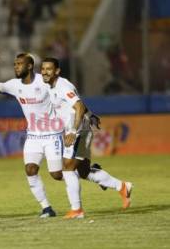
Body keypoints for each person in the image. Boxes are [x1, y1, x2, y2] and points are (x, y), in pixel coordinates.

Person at [41, 57, 133, 219]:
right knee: (83, 171)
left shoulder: (62, 86)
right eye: (43, 69)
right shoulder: (51, 86)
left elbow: (79, 106)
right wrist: (91, 115)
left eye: (49, 69)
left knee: (68, 167)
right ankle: (122, 186)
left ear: (57, 71)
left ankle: (77, 210)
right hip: (80, 129)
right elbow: (78, 102)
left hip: (78, 131)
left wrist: (73, 131)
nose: (44, 72)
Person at [0, 52, 64, 217]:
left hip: (52, 135)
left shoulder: (44, 83)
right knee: (30, 169)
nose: (16, 67)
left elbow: (63, 95)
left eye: (20, 64)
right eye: (15, 64)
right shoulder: (14, 84)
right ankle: (47, 208)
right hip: (33, 136)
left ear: (29, 66)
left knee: (57, 175)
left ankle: (88, 172)